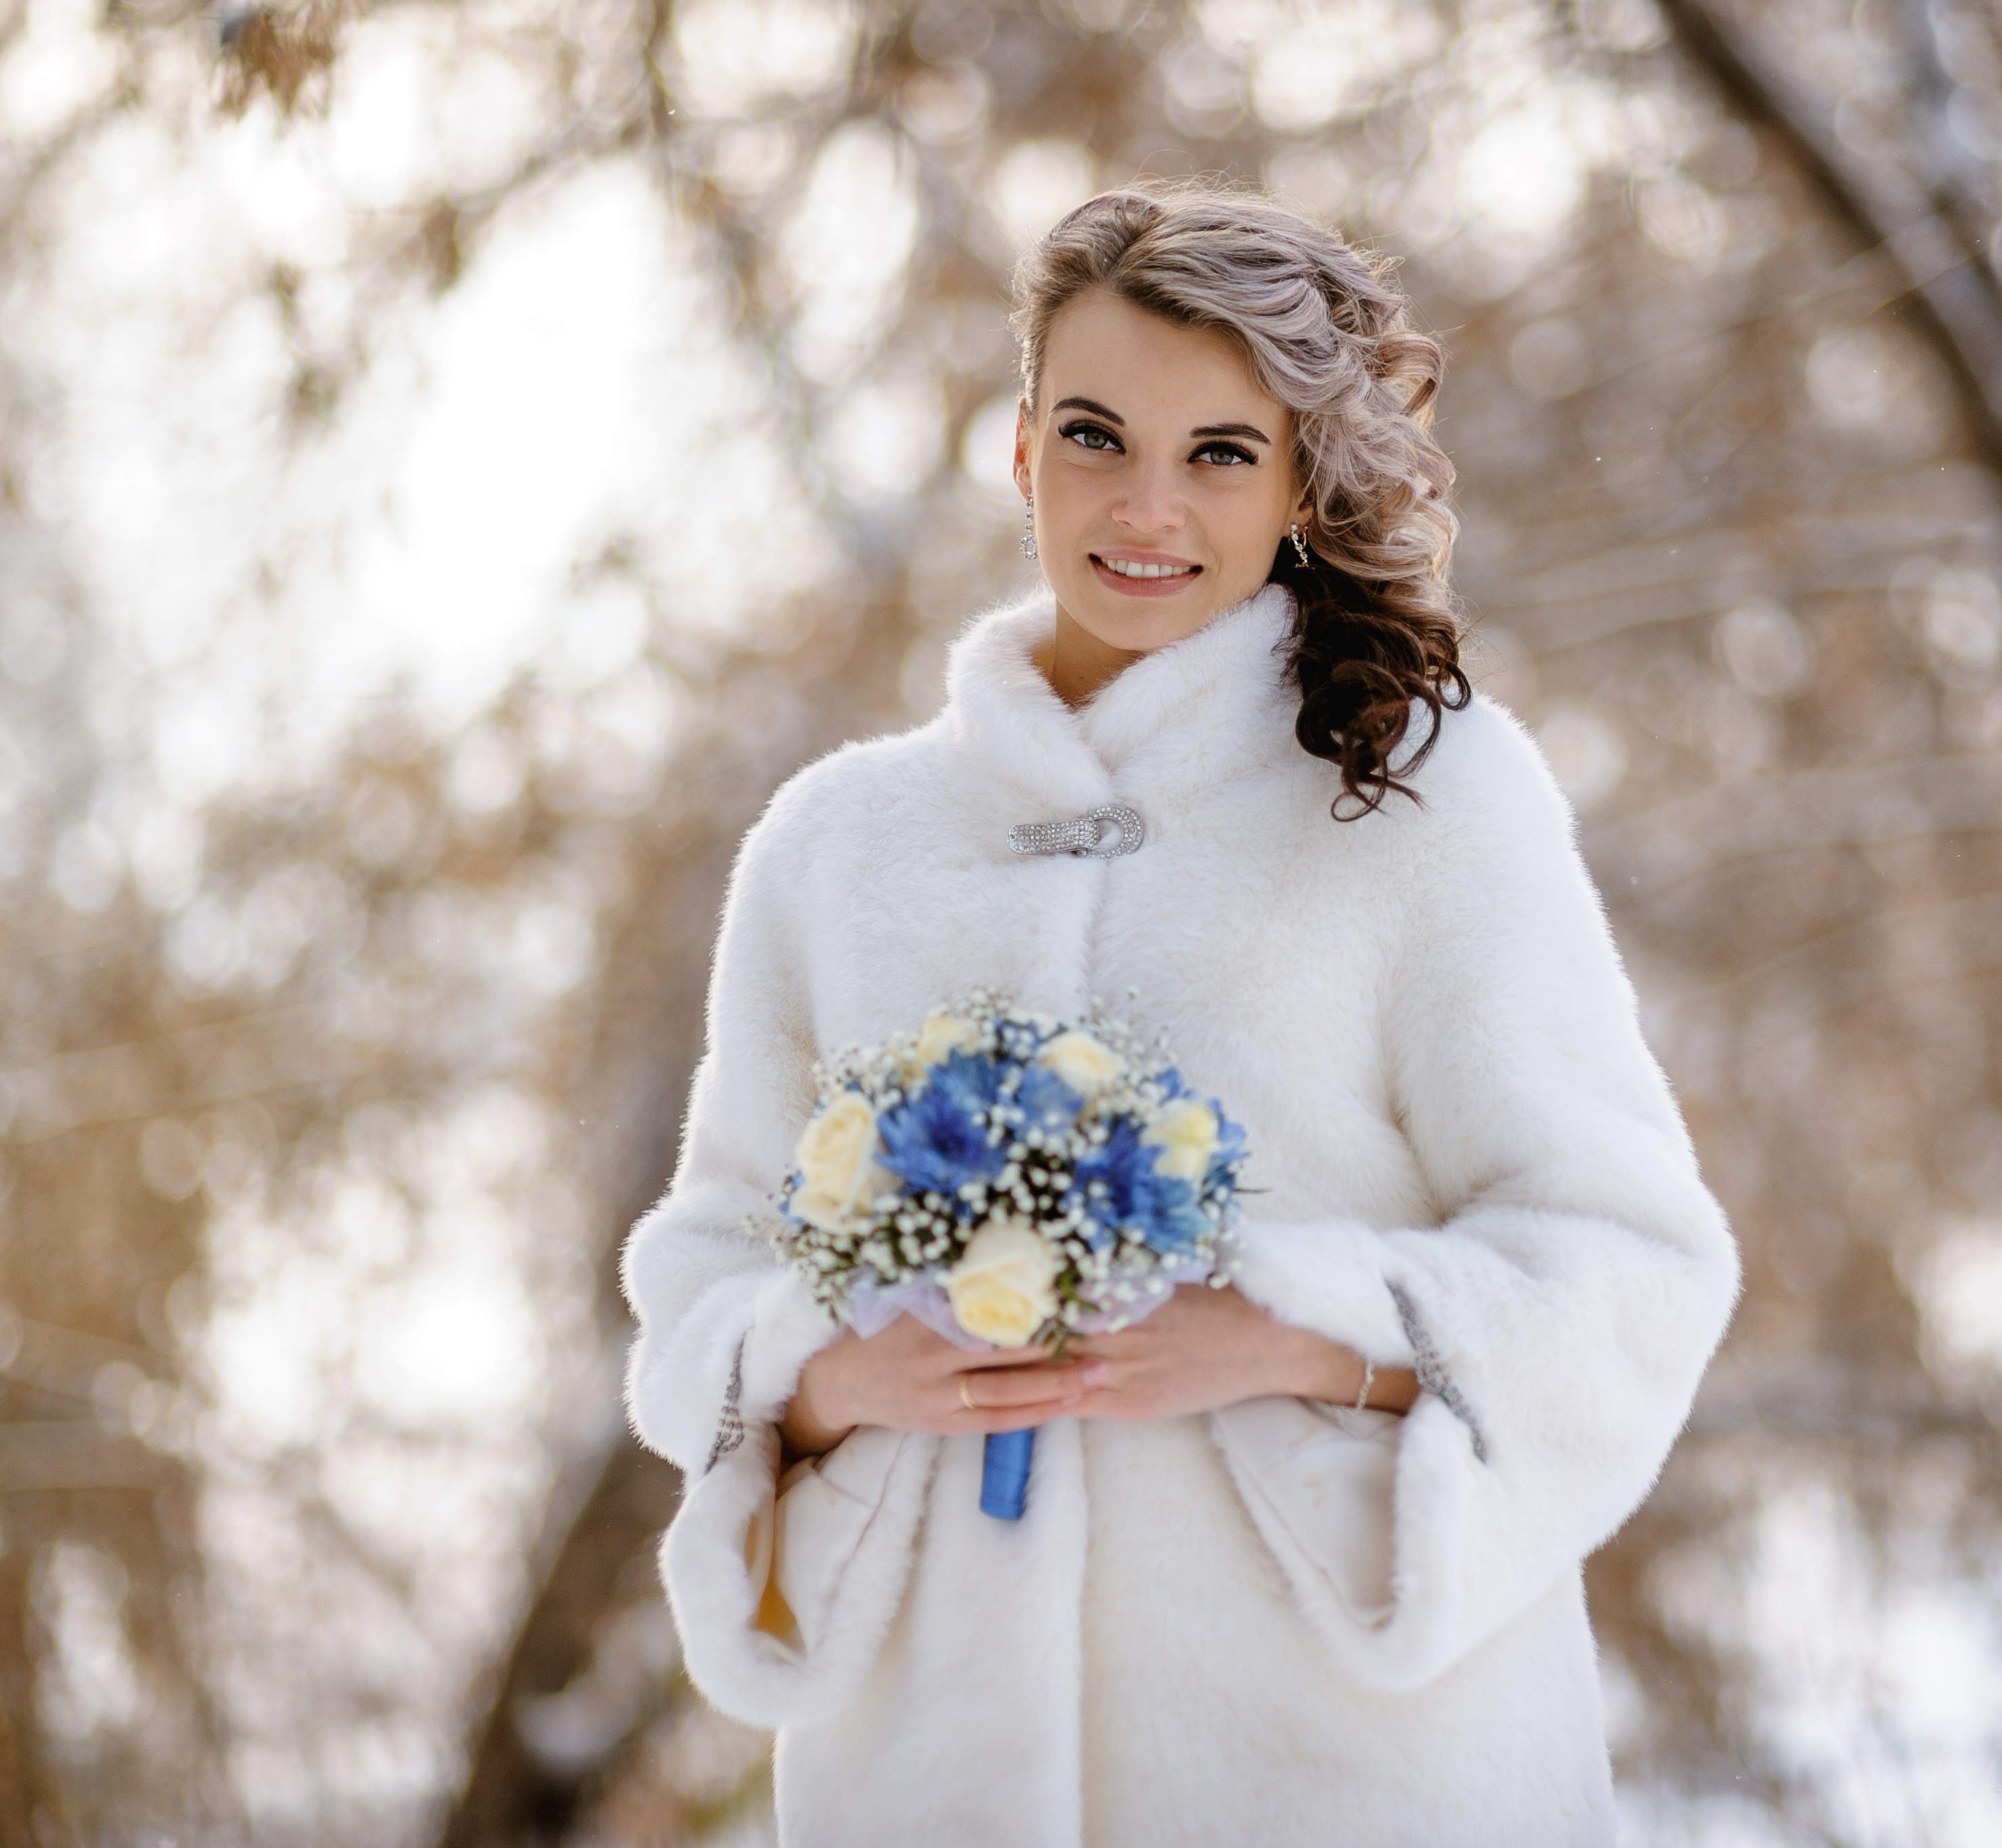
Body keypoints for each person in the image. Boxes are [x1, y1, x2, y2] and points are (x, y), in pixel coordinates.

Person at [618, 181, 1740, 1847]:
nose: (1145, 506)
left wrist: (1295, 1334)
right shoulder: (838, 847)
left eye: (1219, 452)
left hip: (1350, 1771)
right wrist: (844, 1377)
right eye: (1094, 437)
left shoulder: (1421, 801)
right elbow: (704, 1281)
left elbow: (1627, 1264)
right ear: (1020, 451)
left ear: (1298, 484)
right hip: (929, 1773)